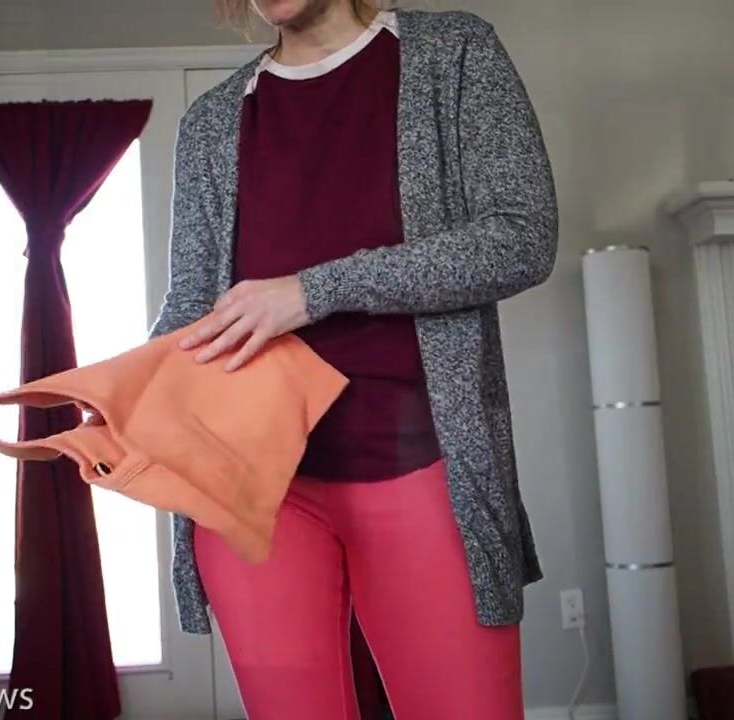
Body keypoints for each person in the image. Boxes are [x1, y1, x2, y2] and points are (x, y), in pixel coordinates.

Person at [150, 0, 558, 717]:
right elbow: (192, 306)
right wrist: (126, 394)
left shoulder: (452, 53)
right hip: (255, 490)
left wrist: (314, 292)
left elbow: (520, 237)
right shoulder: (212, 121)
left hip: (422, 463)